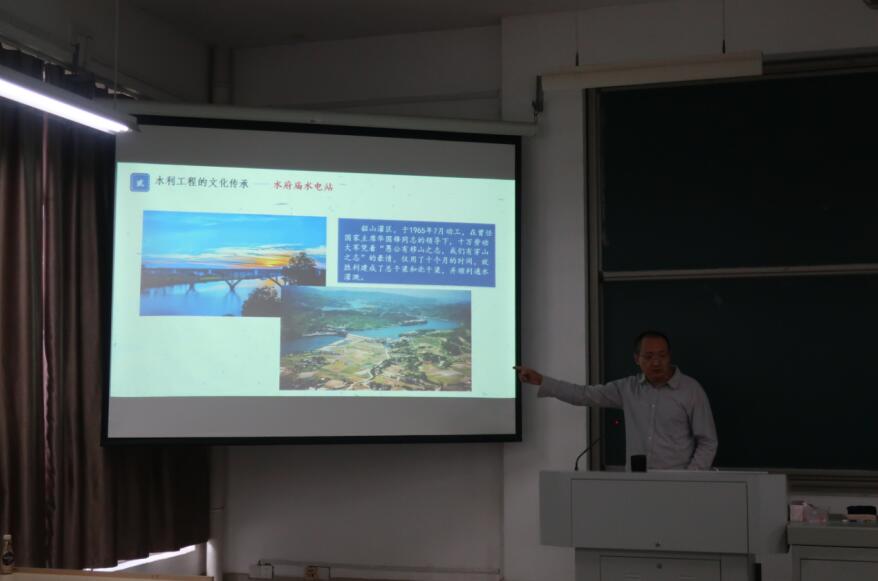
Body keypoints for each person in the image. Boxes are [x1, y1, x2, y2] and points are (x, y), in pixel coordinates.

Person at [516, 331, 718, 470]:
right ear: (636, 359)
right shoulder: (627, 389)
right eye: (648, 356)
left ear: (669, 356)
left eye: (662, 355)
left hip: (679, 482)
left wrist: (691, 477)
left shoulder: (691, 390)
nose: (656, 362)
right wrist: (542, 380)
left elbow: (708, 441)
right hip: (636, 482)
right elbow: (584, 394)